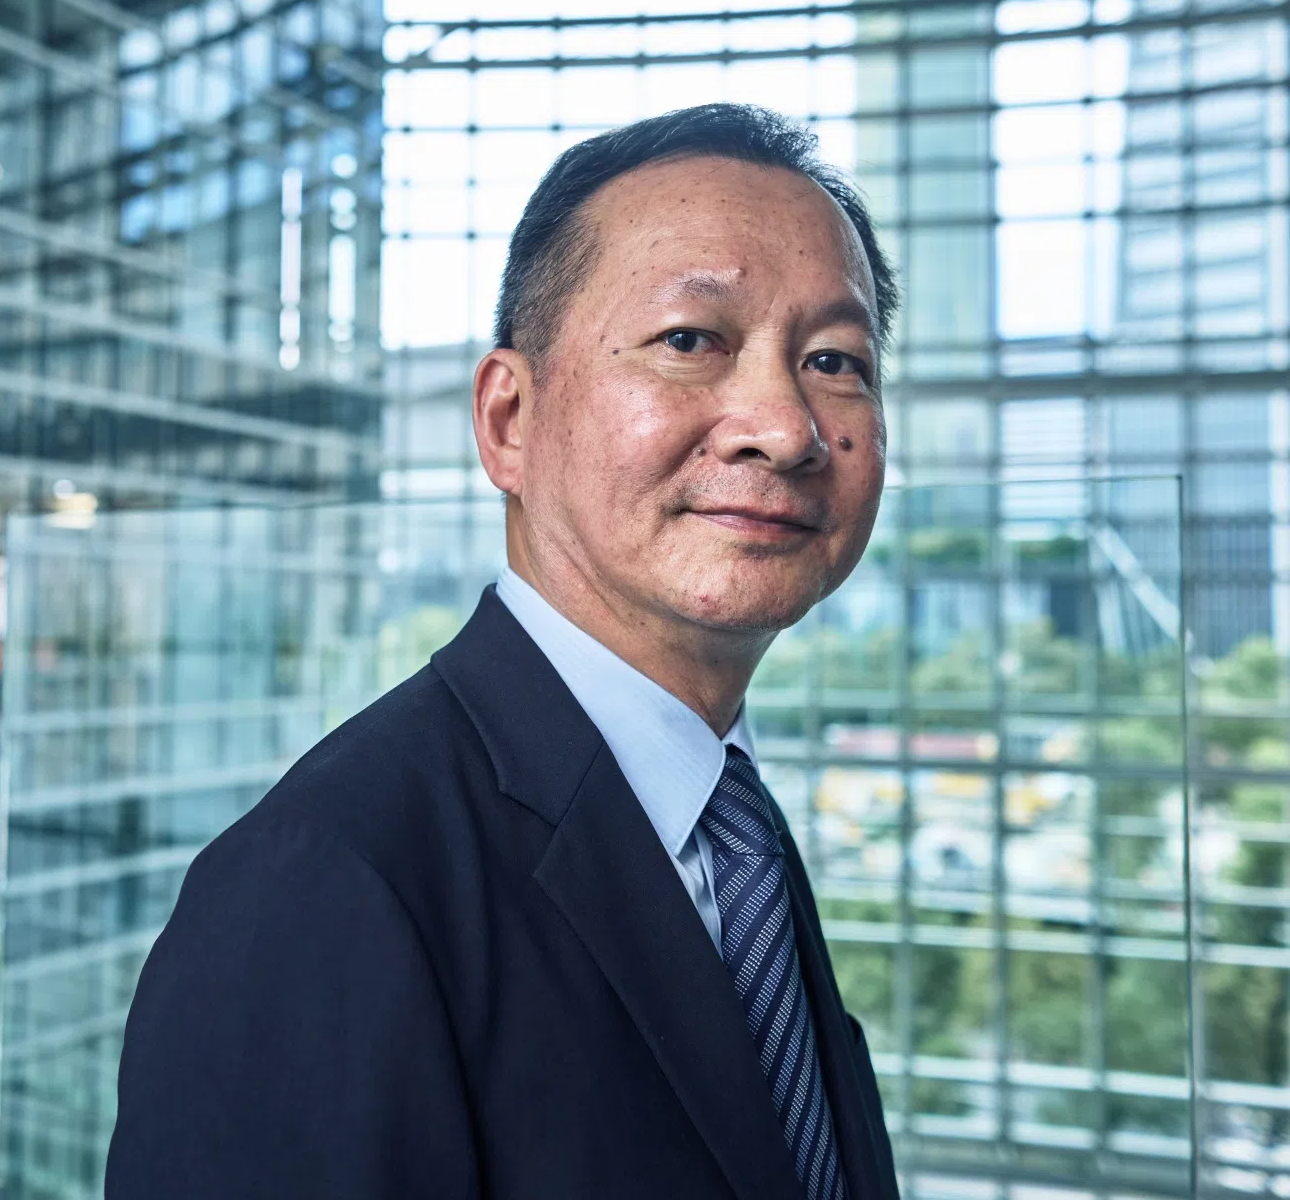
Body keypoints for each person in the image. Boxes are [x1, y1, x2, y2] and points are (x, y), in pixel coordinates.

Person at [106, 102, 902, 1200]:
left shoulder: (736, 834)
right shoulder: (319, 889)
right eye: (689, 340)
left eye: (832, 359)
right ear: (507, 420)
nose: (784, 426)